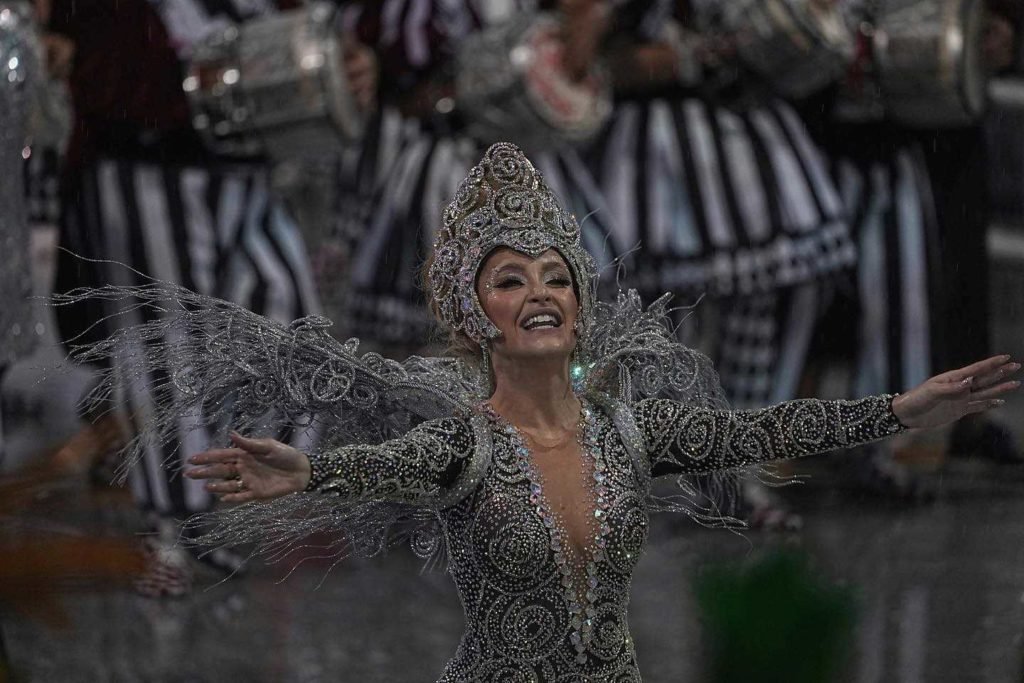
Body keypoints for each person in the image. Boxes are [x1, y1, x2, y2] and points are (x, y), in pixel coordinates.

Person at [170, 143, 1016, 681]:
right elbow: (388, 465)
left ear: (577, 303)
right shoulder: (465, 442)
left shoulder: (628, 429)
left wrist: (904, 410)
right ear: (478, 318)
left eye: (556, 278)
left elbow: (762, 430)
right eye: (510, 280)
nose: (538, 293)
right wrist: (310, 468)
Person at [47, 0, 374, 595]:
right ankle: (169, 526)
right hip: (143, 158)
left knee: (281, 314)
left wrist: (337, 59)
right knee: (165, 347)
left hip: (240, 163)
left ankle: (220, 500)